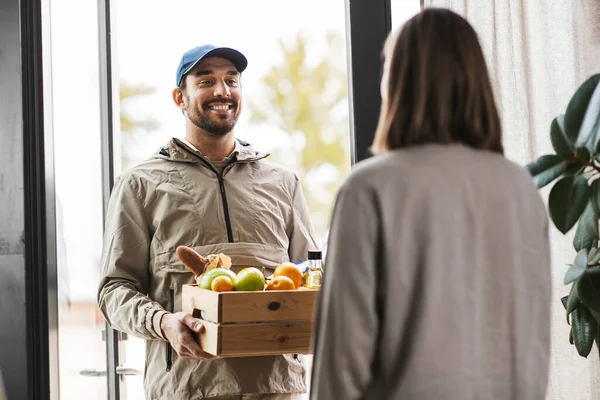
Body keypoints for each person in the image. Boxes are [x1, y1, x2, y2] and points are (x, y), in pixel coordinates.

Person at [310, 8, 551, 400]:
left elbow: (340, 366)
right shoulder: (520, 187)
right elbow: (533, 345)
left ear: (399, 81)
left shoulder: (369, 188)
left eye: (388, 66)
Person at [98, 44, 317, 399]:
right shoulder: (139, 184)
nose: (222, 91)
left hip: (277, 388)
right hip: (186, 388)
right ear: (179, 97)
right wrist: (164, 322)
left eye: (232, 80)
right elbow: (114, 290)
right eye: (206, 80)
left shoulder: (283, 182)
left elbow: (310, 273)